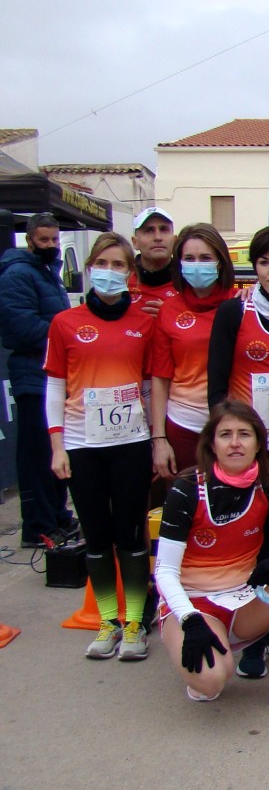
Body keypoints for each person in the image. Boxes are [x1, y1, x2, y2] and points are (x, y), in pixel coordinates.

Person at [154, 400, 269, 721]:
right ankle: (205, 665)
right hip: (196, 607)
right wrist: (188, 618)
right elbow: (164, 571)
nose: (235, 443)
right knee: (211, 682)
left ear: (258, 443)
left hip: (246, 602)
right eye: (225, 434)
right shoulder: (186, 489)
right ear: (212, 443)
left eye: (244, 434)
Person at [45, 232, 156, 659]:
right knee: (96, 538)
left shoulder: (142, 323)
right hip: (81, 444)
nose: (110, 272)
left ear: (130, 274)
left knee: (130, 536)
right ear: (90, 267)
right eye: (103, 264)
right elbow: (54, 387)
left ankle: (134, 625)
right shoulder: (65, 323)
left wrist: (151, 435)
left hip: (129, 443)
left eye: (119, 266)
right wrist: (57, 446)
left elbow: (148, 387)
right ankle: (108, 621)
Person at [208, 225, 269, 677]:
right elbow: (217, 384)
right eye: (264, 261)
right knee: (247, 540)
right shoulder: (234, 312)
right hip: (247, 451)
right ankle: (248, 634)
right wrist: (223, 444)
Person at [0, 213, 73, 548]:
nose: (51, 246)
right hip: (33, 378)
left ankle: (57, 516)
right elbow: (21, 327)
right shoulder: (17, 274)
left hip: (53, 375)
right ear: (29, 240)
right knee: (38, 457)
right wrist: (65, 335)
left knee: (55, 454)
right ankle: (39, 527)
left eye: (55, 240)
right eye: (44, 240)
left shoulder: (48, 274)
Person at [150, 223, 236, 479]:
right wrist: (159, 439)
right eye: (189, 258)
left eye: (205, 258)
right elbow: (160, 377)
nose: (197, 264)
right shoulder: (169, 310)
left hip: (232, 425)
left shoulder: (241, 305)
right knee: (185, 508)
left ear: (220, 262)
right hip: (183, 426)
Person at [129, 207, 178, 316]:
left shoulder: (189, 282)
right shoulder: (122, 282)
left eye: (164, 229)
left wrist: (173, 315)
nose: (158, 237)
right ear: (135, 242)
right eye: (149, 230)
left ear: (174, 240)